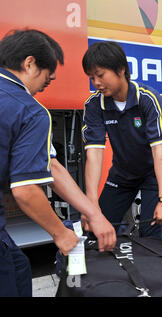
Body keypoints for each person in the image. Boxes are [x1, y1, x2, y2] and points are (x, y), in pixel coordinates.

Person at [0, 29, 77, 297]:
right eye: (48, 72)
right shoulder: (29, 110)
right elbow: (25, 190)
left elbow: (52, 165)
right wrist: (60, 233)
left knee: (19, 266)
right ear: (29, 63)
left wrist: (91, 212)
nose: (52, 78)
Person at [81, 41, 162, 237]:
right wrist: (90, 204)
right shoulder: (94, 105)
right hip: (122, 174)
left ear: (121, 69)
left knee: (150, 236)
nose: (96, 83)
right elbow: (94, 155)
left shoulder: (148, 99)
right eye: (91, 77)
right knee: (98, 231)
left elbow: (160, 153)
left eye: (100, 75)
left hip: (152, 174)